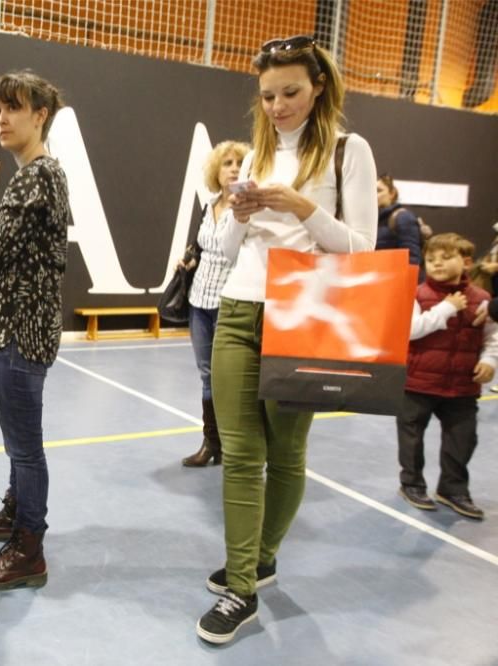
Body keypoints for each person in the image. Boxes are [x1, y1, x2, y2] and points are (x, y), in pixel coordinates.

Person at [195, 35, 378, 645]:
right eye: (268, 95)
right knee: (242, 455)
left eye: (291, 92)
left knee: (287, 454)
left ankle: (261, 556)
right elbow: (221, 252)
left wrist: (303, 207)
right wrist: (238, 214)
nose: (277, 106)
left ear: (319, 85)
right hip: (239, 308)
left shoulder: (350, 151)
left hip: (304, 314)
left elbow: (362, 250)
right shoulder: (254, 155)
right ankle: (242, 588)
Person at [0, 70, 70, 590]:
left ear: (40, 115)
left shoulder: (37, 175)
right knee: (17, 443)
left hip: (21, 333)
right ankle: (15, 513)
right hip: (16, 328)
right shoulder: (35, 174)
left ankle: (29, 548)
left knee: (25, 447)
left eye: (13, 108)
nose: (2, 119)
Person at [396, 233, 497, 519]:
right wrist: (446, 308)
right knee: (411, 438)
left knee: (462, 439)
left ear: (466, 262)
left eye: (446, 257)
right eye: (431, 259)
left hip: (462, 387)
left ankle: (453, 489)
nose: (437, 264)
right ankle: (411, 484)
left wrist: (490, 360)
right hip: (418, 383)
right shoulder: (416, 295)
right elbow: (410, 330)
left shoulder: (482, 299)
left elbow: (492, 336)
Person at [180, 140, 249, 467]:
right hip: (199, 301)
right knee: (207, 375)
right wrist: (190, 260)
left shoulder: (248, 207)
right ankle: (212, 444)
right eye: (227, 163)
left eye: (239, 163)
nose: (234, 168)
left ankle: (235, 445)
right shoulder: (208, 206)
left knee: (230, 379)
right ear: (216, 170)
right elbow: (202, 247)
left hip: (231, 301)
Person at [375, 174, 423, 276]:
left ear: (392, 193)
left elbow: (412, 258)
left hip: (396, 282)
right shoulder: (372, 220)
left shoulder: (403, 217)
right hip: (377, 280)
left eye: (379, 191)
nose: (373, 195)